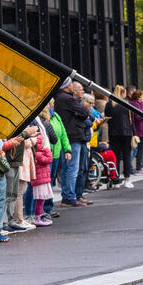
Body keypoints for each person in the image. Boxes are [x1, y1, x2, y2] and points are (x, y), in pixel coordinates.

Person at [55, 80, 91, 208]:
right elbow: (85, 111)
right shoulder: (68, 99)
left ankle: (67, 196)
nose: (72, 86)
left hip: (67, 135)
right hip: (74, 135)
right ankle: (70, 196)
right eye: (71, 84)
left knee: (67, 167)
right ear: (67, 86)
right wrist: (80, 114)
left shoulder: (59, 98)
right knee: (72, 168)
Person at [106, 85, 135, 189]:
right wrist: (134, 133)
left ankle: (116, 179)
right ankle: (127, 180)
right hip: (126, 133)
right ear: (123, 93)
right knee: (127, 157)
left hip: (113, 133)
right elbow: (132, 121)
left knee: (116, 157)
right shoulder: (126, 104)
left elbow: (107, 118)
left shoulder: (109, 104)